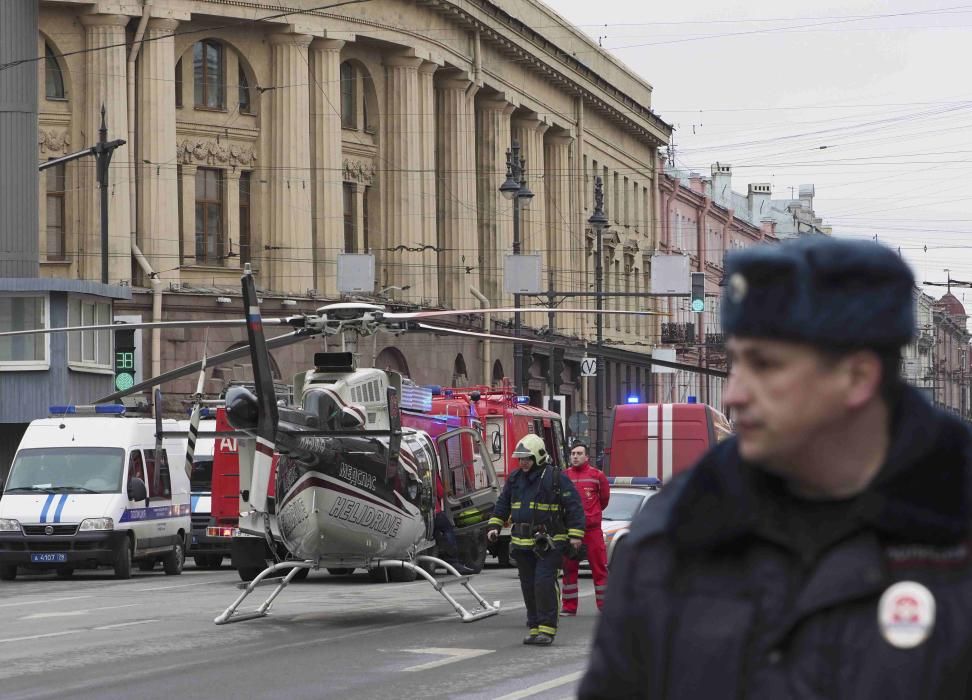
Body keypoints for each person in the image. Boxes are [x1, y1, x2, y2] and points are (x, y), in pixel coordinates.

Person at [581, 236, 972, 699]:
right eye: (736, 363)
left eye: (765, 365)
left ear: (857, 376)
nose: (734, 394)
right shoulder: (678, 531)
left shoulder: (954, 533)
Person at [487, 433, 585, 646]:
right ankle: (534, 627)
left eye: (527, 458)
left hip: (549, 542)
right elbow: (503, 503)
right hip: (522, 544)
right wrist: (494, 525)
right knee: (529, 586)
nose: (522, 462)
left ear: (538, 456)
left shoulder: (555, 478)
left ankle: (547, 629)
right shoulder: (515, 478)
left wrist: (576, 535)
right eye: (520, 458)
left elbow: (574, 506)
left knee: (543, 583)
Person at [561, 442, 610, 615]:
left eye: (579, 453)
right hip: (570, 531)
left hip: (592, 531)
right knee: (569, 570)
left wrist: (591, 516)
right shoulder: (564, 476)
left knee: (599, 569)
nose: (575, 456)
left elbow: (604, 500)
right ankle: (569, 607)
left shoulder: (597, 476)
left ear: (587, 456)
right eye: (573, 453)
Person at [433, 467, 476, 576]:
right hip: (434, 511)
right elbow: (440, 492)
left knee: (437, 534)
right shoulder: (432, 472)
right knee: (447, 529)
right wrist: (447, 489)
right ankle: (453, 561)